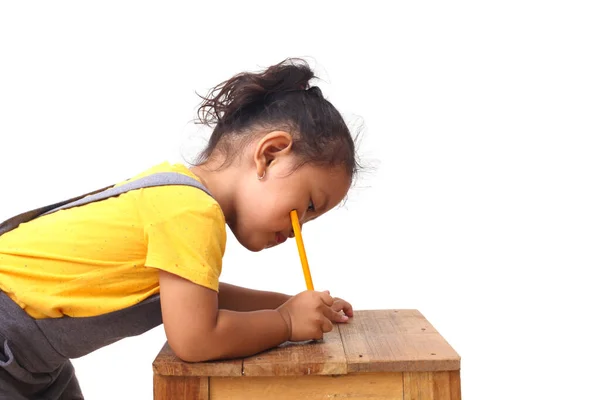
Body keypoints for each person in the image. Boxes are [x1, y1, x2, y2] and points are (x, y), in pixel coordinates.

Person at [0, 57, 361, 399]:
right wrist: (284, 321)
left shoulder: (178, 195)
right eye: (309, 205)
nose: (300, 230)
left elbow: (203, 298)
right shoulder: (192, 211)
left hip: (32, 362)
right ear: (269, 154)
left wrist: (293, 305)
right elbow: (195, 339)